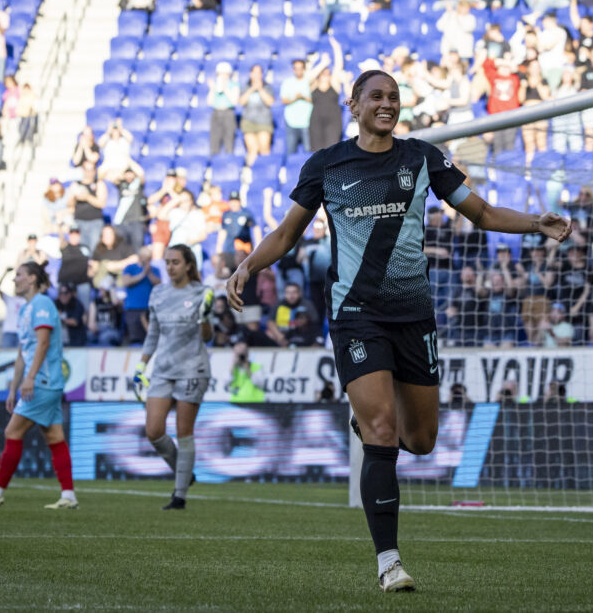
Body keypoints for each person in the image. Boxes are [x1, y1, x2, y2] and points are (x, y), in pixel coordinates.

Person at [225, 69, 572, 592]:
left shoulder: (422, 157)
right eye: (377, 97)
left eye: (394, 97)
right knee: (383, 433)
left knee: (422, 439)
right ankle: (389, 562)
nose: (387, 104)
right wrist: (250, 265)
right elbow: (286, 233)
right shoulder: (326, 165)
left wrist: (533, 224)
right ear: (354, 104)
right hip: (355, 314)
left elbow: (478, 211)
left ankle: (367, 422)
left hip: (414, 315)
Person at [0, 262, 78, 510]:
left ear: (32, 279)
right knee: (55, 437)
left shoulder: (42, 304)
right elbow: (22, 352)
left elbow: (43, 343)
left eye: (19, 275)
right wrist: (13, 387)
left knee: (12, 433)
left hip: (42, 382)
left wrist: (30, 378)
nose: (15, 280)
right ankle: (68, 496)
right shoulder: (26, 308)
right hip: (39, 381)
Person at [132, 244, 213, 510]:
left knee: (183, 432)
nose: (170, 267)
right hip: (163, 369)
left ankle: (179, 495)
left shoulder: (202, 293)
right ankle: (185, 472)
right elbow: (153, 333)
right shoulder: (158, 292)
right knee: (153, 431)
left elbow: (207, 337)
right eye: (167, 262)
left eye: (175, 262)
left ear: (188, 265)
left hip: (192, 369)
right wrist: (141, 365)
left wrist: (204, 320)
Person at [120, 246, 160, 344]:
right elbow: (127, 281)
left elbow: (158, 284)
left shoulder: (154, 270)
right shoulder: (130, 268)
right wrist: (143, 274)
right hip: (133, 309)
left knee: (151, 338)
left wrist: (149, 273)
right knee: (135, 337)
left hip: (149, 309)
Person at [238, 64, 275, 164]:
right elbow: (241, 101)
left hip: (264, 122)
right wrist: (251, 89)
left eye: (259, 72)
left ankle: (266, 172)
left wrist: (260, 89)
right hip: (248, 122)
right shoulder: (245, 87)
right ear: (251, 74)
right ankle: (251, 173)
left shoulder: (267, 87)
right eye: (255, 72)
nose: (257, 75)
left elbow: (270, 102)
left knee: (264, 149)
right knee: (252, 149)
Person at [280, 59, 313, 154]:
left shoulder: (309, 82)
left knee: (308, 152)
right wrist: (295, 98)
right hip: (291, 121)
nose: (298, 70)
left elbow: (315, 99)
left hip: (307, 121)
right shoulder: (287, 82)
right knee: (291, 151)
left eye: (300, 68)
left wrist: (303, 97)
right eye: (296, 68)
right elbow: (284, 100)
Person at [208, 62, 239, 155]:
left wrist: (225, 88)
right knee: (214, 139)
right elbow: (210, 102)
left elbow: (234, 101)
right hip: (216, 112)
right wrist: (212, 89)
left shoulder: (234, 85)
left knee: (229, 138)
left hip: (228, 113)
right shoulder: (215, 86)